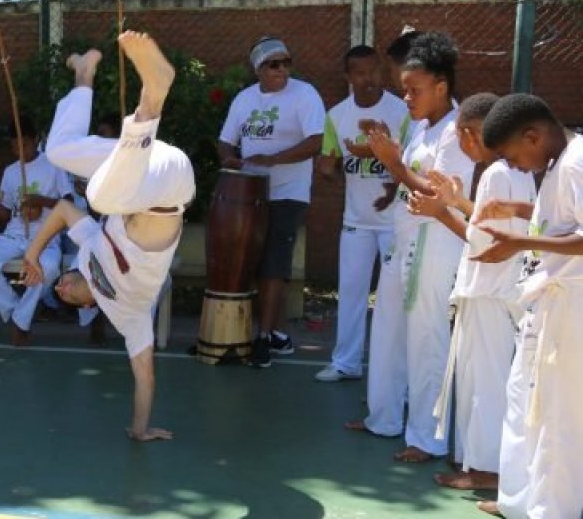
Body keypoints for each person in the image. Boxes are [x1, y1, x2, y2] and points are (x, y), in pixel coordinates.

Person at [23, 33, 195, 441]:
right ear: (87, 305)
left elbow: (64, 210)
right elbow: (146, 375)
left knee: (59, 152)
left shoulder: (86, 255)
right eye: (67, 296)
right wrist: (141, 429)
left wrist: (33, 255)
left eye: (58, 287)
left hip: (147, 160)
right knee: (100, 195)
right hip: (169, 189)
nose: (62, 287)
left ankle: (85, 72)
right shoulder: (128, 317)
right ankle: (154, 92)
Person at [353, 32, 475, 464]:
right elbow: (410, 184)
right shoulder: (424, 127)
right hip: (402, 237)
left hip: (434, 242)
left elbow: (435, 194)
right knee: (387, 329)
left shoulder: (456, 133)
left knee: (426, 337)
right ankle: (383, 417)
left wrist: (393, 162)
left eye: (414, 89)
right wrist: (395, 164)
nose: (406, 97)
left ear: (442, 86)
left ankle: (427, 436)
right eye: (404, 89)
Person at [405, 93, 534, 491]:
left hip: (488, 294)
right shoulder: (519, 171)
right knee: (488, 382)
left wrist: (441, 212)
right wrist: (458, 200)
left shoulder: (497, 172)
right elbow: (489, 221)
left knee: (484, 385)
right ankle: (478, 463)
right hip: (501, 293)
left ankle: (485, 471)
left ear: (471, 133)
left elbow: (479, 241)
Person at [470, 93, 583, 518]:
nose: (514, 166)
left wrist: (522, 242)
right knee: (528, 406)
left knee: (558, 418)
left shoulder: (576, 162)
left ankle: (555, 511)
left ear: (533, 136)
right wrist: (521, 216)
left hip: (572, 307)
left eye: (513, 155)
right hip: (550, 304)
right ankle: (526, 502)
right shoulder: (559, 163)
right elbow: (559, 220)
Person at [217, 36, 325, 368]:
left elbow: (316, 141)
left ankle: (263, 338)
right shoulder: (244, 99)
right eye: (273, 64)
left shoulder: (304, 94)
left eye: (286, 63)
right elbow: (224, 142)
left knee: (273, 264)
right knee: (248, 262)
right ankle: (263, 334)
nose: (282, 70)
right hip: (248, 195)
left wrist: (275, 159)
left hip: (287, 192)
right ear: (258, 69)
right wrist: (231, 160)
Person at [313, 45, 409, 382]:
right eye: (360, 73)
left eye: (374, 71)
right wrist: (328, 168)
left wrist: (392, 189)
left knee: (393, 298)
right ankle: (346, 362)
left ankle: (395, 368)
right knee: (351, 292)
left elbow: (412, 165)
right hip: (356, 222)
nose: (368, 79)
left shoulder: (400, 111)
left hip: (395, 222)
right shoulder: (336, 116)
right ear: (348, 77)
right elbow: (329, 161)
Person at [0, 116, 70, 345]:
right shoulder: (10, 171)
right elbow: (6, 215)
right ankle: (17, 312)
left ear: (35, 140)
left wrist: (41, 201)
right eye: (14, 145)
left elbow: (68, 204)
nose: (19, 149)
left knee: (48, 267)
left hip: (46, 237)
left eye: (24, 144)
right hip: (14, 234)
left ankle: (20, 321)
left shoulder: (53, 165)